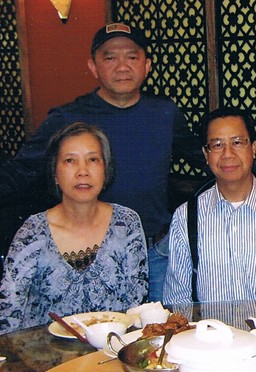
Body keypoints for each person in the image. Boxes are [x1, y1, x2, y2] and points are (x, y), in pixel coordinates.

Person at [0, 23, 256, 302]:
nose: (122, 66)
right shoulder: (68, 117)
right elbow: (21, 169)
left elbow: (201, 152)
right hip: (105, 253)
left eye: (132, 57)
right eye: (110, 58)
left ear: (146, 65)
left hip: (158, 251)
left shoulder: (164, 112)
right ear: (93, 66)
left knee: (162, 329)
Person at [0, 123, 148, 335]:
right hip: (46, 353)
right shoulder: (33, 231)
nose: (82, 172)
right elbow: (9, 313)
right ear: (54, 173)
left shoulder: (126, 223)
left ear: (106, 170)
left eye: (93, 160)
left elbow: (136, 306)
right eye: (70, 161)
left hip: (111, 348)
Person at [163, 108, 256, 304]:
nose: (228, 154)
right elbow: (179, 301)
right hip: (209, 325)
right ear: (206, 154)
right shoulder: (186, 217)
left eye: (237, 142)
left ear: (253, 148)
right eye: (217, 145)